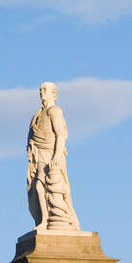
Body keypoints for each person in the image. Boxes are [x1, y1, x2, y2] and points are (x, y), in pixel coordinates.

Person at [26, 82, 80, 231]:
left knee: (45, 185)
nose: (41, 92)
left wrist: (56, 154)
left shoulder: (54, 110)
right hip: (39, 154)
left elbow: (60, 134)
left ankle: (49, 220)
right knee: (37, 186)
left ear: (53, 94)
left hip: (51, 153)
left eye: (45, 90)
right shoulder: (37, 115)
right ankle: (43, 220)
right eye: (40, 89)